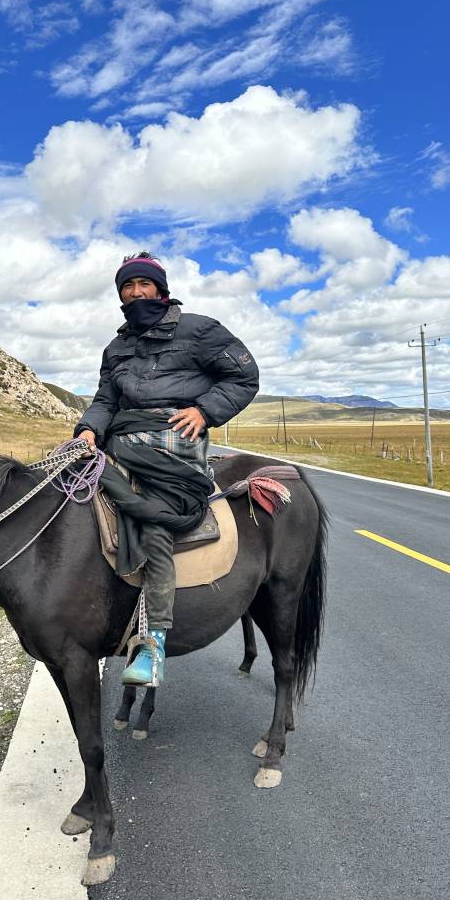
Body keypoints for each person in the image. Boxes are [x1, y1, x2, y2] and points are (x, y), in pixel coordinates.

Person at [75, 252, 259, 687]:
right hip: (121, 441)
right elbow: (106, 401)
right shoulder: (116, 348)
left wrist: (204, 411)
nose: (136, 293)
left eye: (144, 285)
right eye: (127, 287)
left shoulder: (200, 330)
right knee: (73, 500)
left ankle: (152, 643)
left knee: (150, 521)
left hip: (175, 447)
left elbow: (244, 377)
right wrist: (87, 431)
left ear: (161, 289)